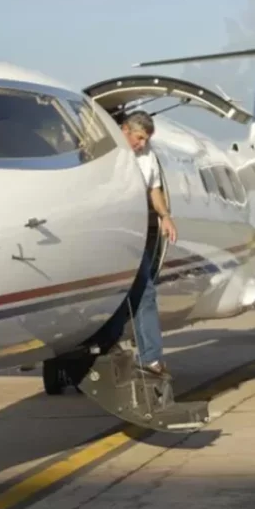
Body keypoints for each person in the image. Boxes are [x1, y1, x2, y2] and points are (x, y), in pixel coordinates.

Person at [112, 110, 178, 377]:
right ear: (124, 129)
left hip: (138, 233)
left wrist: (165, 216)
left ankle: (149, 357)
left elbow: (154, 189)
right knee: (140, 291)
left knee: (143, 291)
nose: (141, 144)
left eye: (145, 140)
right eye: (139, 138)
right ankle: (149, 356)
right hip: (115, 232)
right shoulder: (107, 152)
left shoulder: (147, 155)